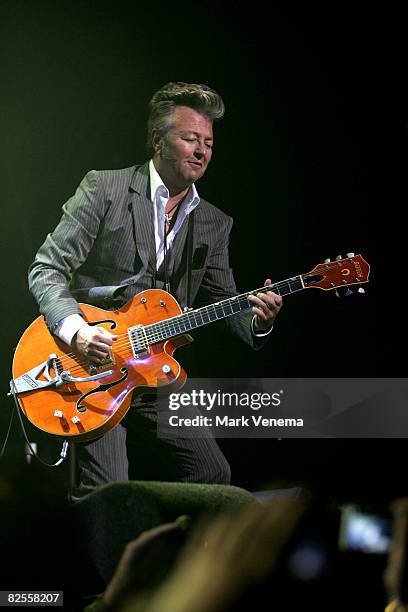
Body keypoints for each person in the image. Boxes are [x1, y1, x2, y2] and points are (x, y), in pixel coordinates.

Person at [28, 82, 282, 497]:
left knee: (212, 475)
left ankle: (171, 560)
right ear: (157, 140)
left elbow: (222, 302)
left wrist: (256, 320)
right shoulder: (105, 189)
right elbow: (47, 268)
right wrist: (78, 330)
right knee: (107, 490)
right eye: (189, 138)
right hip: (90, 367)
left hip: (154, 370)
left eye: (208, 143)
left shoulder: (214, 222)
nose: (201, 151)